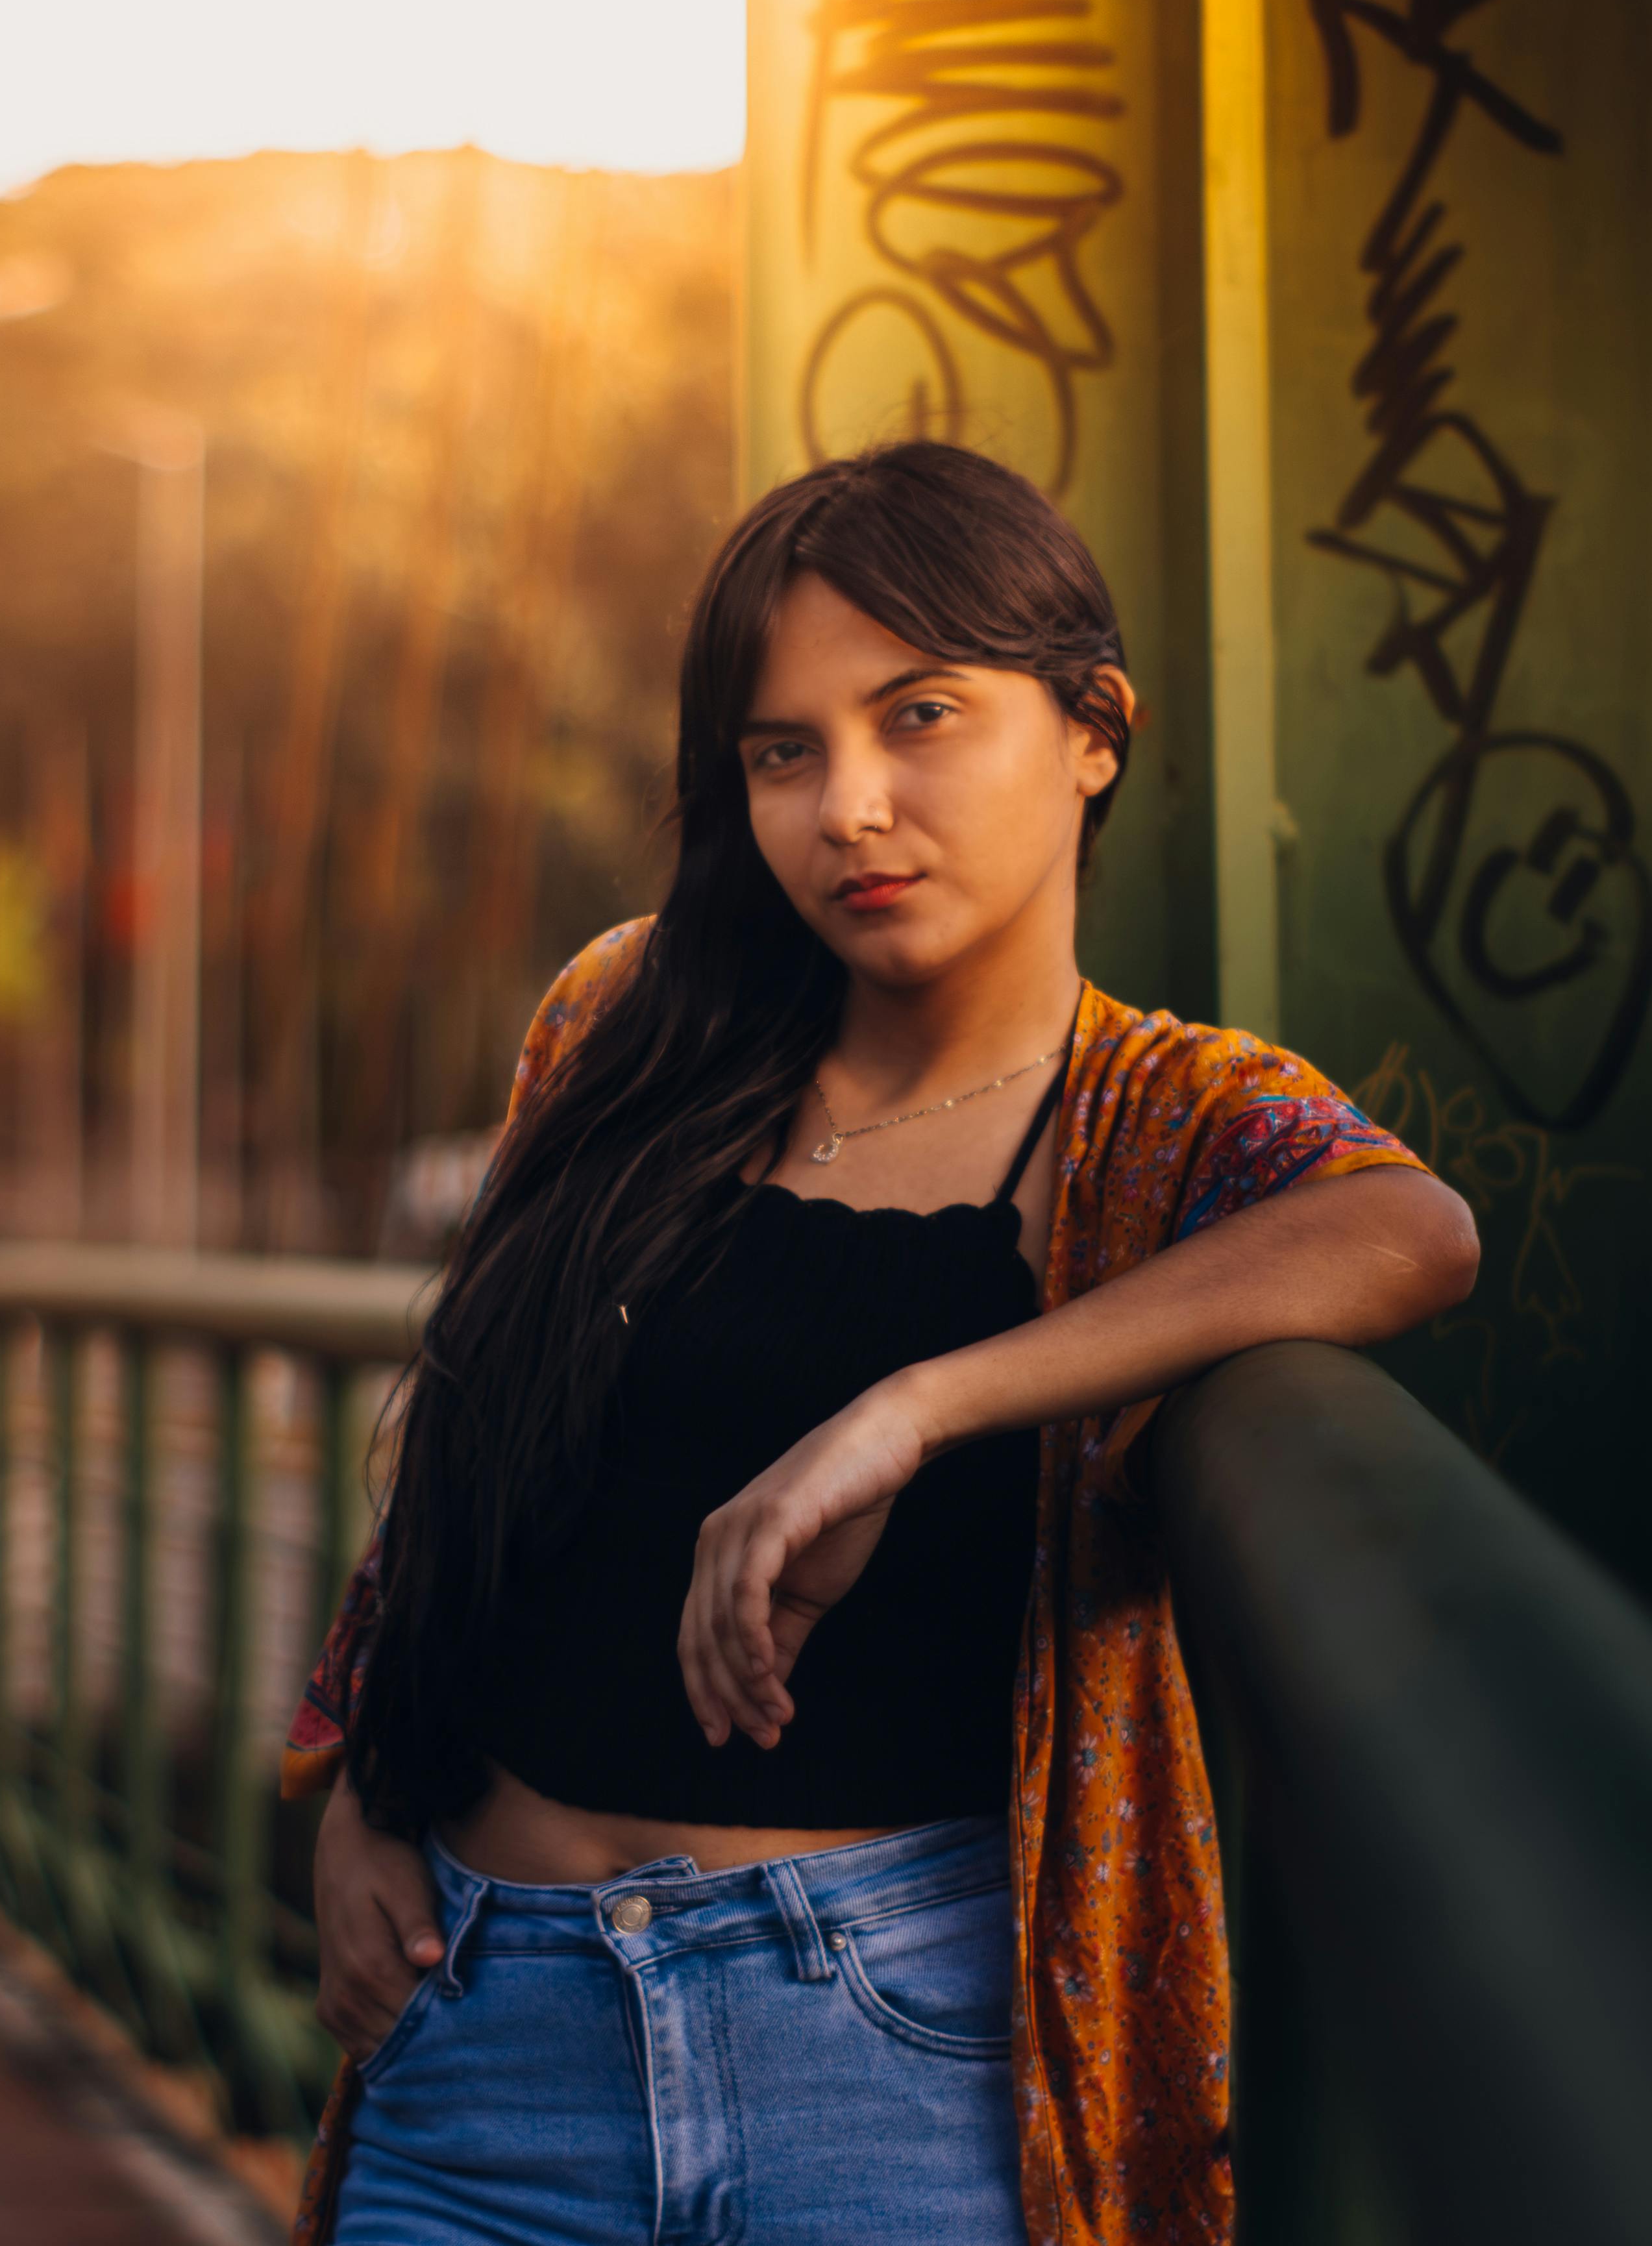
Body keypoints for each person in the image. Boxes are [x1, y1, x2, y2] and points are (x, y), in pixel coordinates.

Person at [282, 442, 1477, 2246]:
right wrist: (364, 1785)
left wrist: (913, 1408)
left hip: (888, 2066)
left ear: (1091, 728)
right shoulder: (622, 1020)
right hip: (483, 2026)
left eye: (918, 716)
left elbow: (1408, 1231)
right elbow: (472, 1449)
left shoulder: (1157, 1115)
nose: (847, 805)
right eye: (783, 751)